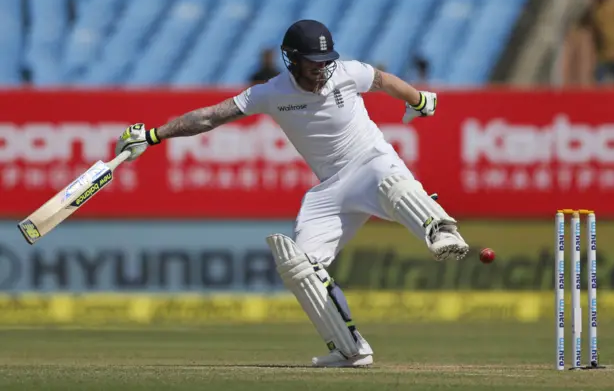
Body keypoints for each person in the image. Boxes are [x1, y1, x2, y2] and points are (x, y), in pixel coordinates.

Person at [115, 19, 469, 368]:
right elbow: (210, 117)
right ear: (292, 59)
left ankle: (441, 230)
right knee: (300, 266)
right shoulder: (270, 93)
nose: (321, 70)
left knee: (391, 180)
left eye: (326, 61)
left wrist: (419, 99)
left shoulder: (348, 72)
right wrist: (153, 135)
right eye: (313, 63)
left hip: (371, 161)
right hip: (330, 189)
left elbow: (383, 80)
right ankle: (352, 349)